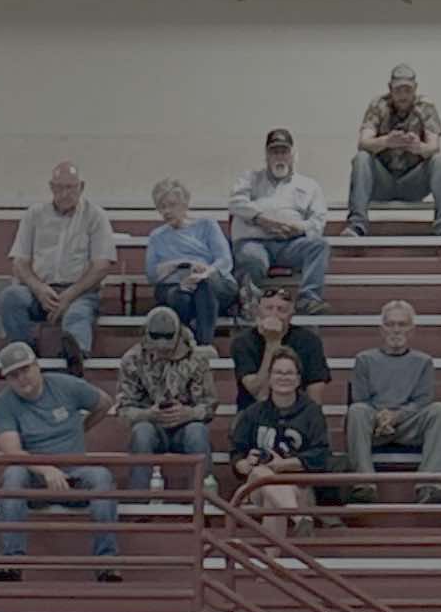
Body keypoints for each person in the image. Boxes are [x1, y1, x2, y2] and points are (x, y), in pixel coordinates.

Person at [0, 340, 120, 583]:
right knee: (12, 476)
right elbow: (10, 450)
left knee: (101, 476)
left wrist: (81, 428)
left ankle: (107, 564)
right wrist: (46, 469)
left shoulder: (65, 386)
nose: (22, 379)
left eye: (25, 369)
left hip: (75, 473)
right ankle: (11, 564)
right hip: (35, 480)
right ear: (7, 379)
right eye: (14, 375)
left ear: (37, 366)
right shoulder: (3, 403)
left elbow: (104, 402)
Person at [0, 161, 116, 368]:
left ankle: (74, 361)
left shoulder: (95, 216)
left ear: (82, 187)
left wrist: (69, 295)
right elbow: (20, 261)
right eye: (59, 187)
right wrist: (40, 289)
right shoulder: (34, 215)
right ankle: (25, 355)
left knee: (77, 315)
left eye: (70, 187)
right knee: (11, 297)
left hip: (80, 293)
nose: (65, 193)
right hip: (39, 291)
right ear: (51, 187)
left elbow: (102, 265)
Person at [343, 299, 441, 504]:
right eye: (391, 324)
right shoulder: (364, 360)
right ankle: (364, 483)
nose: (396, 330)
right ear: (381, 329)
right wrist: (381, 417)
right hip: (374, 425)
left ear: (412, 330)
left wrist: (397, 416)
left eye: (402, 324)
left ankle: (429, 485)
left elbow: (423, 400)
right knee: (357, 411)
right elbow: (360, 398)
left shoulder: (423, 362)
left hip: (408, 424)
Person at [348, 62, 441, 237]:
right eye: (398, 90)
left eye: (408, 90)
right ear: (390, 89)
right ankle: (357, 224)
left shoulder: (425, 106)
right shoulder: (378, 105)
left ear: (415, 89)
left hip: (413, 182)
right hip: (382, 181)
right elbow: (363, 142)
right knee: (361, 158)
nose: (403, 96)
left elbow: (434, 147)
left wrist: (418, 147)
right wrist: (386, 142)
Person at [229, 346, 331, 536]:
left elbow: (321, 456)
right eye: (278, 372)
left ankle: (273, 562)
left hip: (299, 486)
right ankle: (299, 518)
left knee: (272, 495)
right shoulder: (253, 413)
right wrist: (247, 463)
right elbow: (237, 457)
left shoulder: (311, 412)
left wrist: (282, 465)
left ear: (298, 379)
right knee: (262, 474)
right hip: (255, 486)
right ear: (269, 378)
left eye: (289, 373)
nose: (283, 377)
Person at [116, 306, 217, 493]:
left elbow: (210, 405)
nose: (161, 346)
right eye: (155, 339)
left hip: (186, 426)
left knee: (197, 432)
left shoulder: (196, 359)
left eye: (167, 340)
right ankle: (139, 501)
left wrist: (189, 413)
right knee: (142, 433)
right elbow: (123, 410)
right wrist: (148, 414)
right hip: (151, 425)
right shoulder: (132, 360)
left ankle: (202, 501)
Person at [228, 127, 329, 312]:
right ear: (266, 155)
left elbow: (318, 219)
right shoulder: (250, 178)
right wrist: (261, 219)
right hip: (255, 241)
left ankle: (309, 299)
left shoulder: (309, 185)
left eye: (284, 151)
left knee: (319, 246)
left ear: (292, 154)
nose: (279, 156)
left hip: (290, 244)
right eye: (274, 152)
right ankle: (249, 303)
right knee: (252, 258)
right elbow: (235, 203)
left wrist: (299, 228)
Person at [142, 180, 236, 345]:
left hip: (214, 282)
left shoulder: (207, 225)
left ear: (185, 204)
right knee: (180, 296)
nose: (167, 211)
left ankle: (203, 345)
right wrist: (180, 266)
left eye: (171, 205)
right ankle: (185, 346)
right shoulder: (157, 237)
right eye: (161, 207)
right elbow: (151, 275)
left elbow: (225, 260)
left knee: (203, 284)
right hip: (176, 286)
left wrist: (206, 271)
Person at [227, 279, 331, 410]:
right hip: (253, 413)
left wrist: (309, 421)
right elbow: (260, 395)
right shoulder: (243, 342)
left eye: (281, 310)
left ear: (291, 315)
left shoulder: (309, 341)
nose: (274, 314)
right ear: (258, 312)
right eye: (269, 308)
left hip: (298, 412)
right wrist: (272, 343)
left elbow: (315, 394)